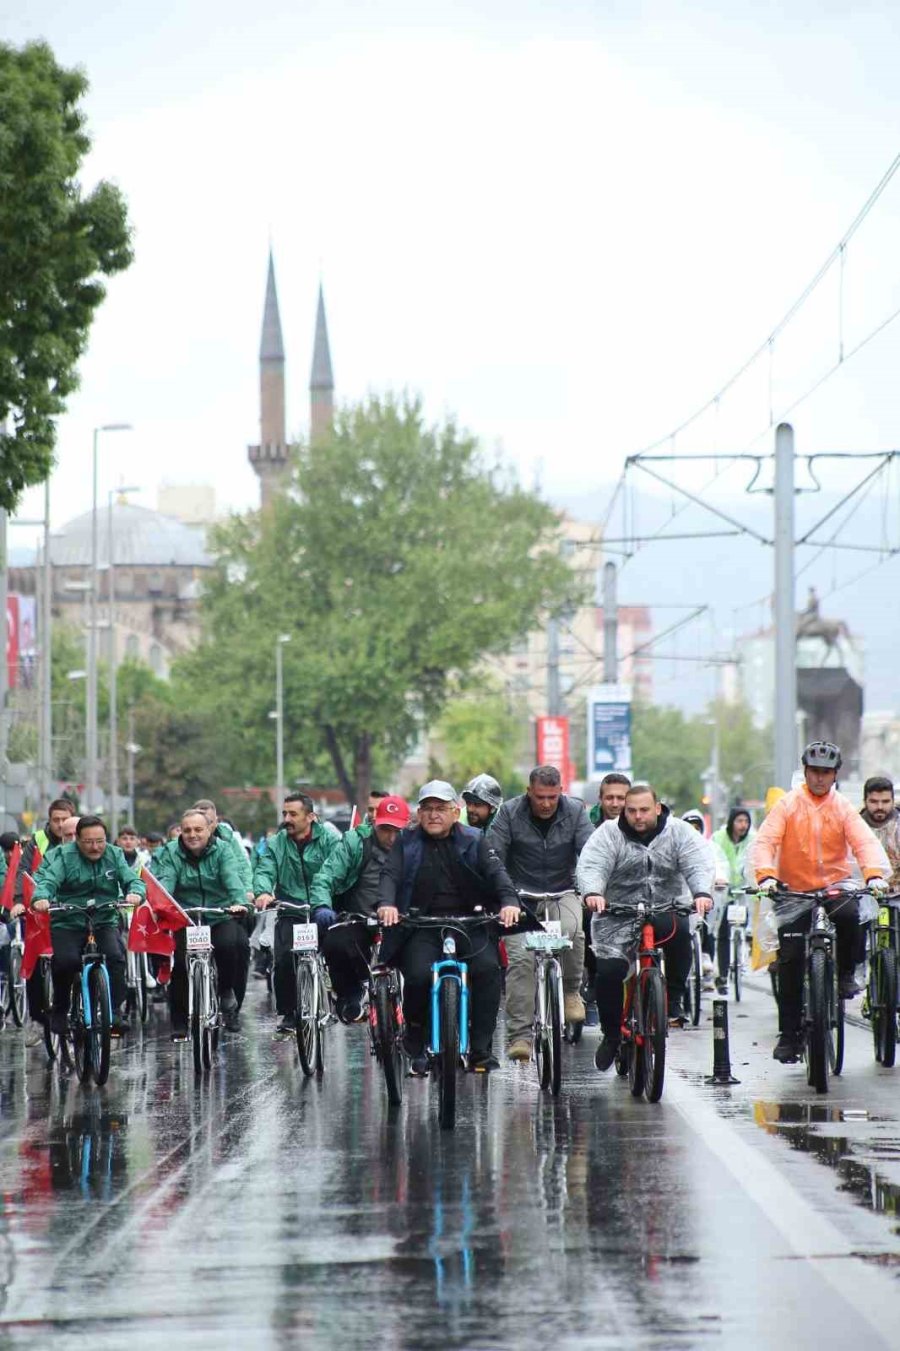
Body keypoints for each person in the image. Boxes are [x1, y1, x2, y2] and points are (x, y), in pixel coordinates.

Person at [751, 741, 889, 1063]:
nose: (819, 779)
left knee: (852, 915)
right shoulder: (787, 805)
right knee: (790, 961)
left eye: (826, 773)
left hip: (834, 885)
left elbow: (864, 843)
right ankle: (789, 1035)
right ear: (806, 771)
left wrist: (872, 875)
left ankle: (843, 975)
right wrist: (766, 876)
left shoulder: (842, 807)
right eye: (814, 772)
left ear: (835, 774)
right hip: (793, 889)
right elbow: (765, 843)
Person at [377, 780, 521, 1074]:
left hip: (471, 921)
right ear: (418, 813)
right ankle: (416, 1033)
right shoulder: (406, 840)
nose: (433, 815)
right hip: (421, 924)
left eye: (441, 808)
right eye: (427, 808)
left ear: (456, 812)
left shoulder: (475, 839)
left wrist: (509, 902)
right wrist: (387, 904)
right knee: (417, 976)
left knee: (486, 971)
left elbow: (497, 874)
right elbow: (390, 876)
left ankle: (480, 1049)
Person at [577, 782, 714, 1070]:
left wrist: (701, 892)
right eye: (631, 811)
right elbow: (593, 865)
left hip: (666, 907)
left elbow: (696, 862)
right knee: (610, 971)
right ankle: (611, 1034)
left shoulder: (678, 832)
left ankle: (674, 999)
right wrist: (592, 892)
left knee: (681, 934)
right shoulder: (608, 834)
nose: (638, 817)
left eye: (644, 810)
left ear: (658, 809)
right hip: (617, 912)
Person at [489, 765, 593, 1061]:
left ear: (560, 791)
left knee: (573, 930)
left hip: (563, 890)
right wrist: (503, 895)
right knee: (520, 960)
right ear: (529, 793)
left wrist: (589, 888)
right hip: (519, 896)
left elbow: (589, 852)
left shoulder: (575, 811)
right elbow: (493, 855)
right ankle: (520, 1035)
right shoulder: (509, 813)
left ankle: (571, 992)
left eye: (551, 796)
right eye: (539, 797)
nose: (546, 803)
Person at [30, 815, 143, 1034]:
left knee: (116, 956)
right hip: (68, 919)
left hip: (103, 918)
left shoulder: (115, 854)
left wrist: (136, 892)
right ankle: (61, 1009)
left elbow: (132, 879)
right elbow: (48, 881)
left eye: (99, 841)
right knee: (66, 962)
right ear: (78, 840)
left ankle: (115, 1010)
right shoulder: (63, 856)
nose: (95, 847)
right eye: (88, 842)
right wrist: (41, 898)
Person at [152, 808, 253, 1035]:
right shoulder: (171, 852)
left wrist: (239, 903)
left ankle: (226, 990)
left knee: (229, 946)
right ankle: (179, 1021)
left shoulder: (223, 850)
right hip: (187, 917)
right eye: (187, 830)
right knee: (180, 963)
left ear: (209, 830)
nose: (192, 835)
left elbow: (232, 880)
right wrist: (161, 908)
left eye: (198, 829)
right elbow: (166, 882)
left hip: (219, 913)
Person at [312, 795, 410, 1022]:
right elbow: (326, 876)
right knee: (335, 943)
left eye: (398, 830)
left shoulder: (416, 844)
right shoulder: (355, 842)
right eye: (386, 829)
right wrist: (322, 906)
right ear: (375, 822)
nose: (392, 837)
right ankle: (350, 994)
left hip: (403, 919)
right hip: (360, 917)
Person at [253, 792, 340, 1037]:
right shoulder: (276, 843)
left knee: (339, 950)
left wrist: (334, 901)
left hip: (324, 910)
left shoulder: (330, 840)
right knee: (282, 961)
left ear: (311, 816)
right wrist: (262, 892)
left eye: (293, 814)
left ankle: (339, 994)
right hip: (290, 909)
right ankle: (289, 1012)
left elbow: (339, 869)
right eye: (285, 814)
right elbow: (265, 869)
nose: (287, 819)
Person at [711, 807, 755, 993]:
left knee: (745, 927)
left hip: (744, 891)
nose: (743, 825)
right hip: (724, 890)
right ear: (731, 822)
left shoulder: (753, 839)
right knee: (723, 933)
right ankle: (722, 974)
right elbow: (713, 860)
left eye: (746, 821)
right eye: (739, 821)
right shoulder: (718, 838)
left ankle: (742, 958)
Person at [860, 776, 900, 891]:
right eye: (874, 801)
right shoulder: (853, 826)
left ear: (893, 800)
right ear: (865, 801)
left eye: (885, 801)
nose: (880, 807)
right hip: (863, 894)